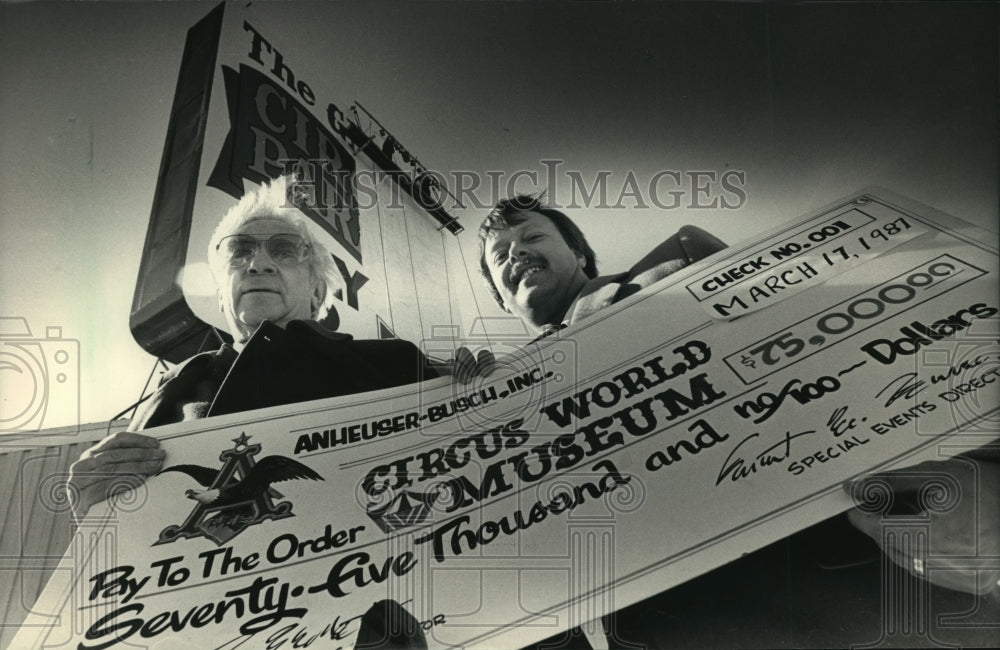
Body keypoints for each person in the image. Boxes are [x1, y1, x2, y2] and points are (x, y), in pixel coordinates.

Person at [474, 194, 999, 648]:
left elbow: (895, 350)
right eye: (500, 254)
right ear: (499, 295)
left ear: (579, 253)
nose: (515, 251)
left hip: (867, 594)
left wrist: (991, 481)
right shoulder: (488, 408)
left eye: (531, 235)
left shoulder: (677, 266)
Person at [67, 174, 439, 521]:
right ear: (221, 291)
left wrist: (488, 392)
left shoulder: (395, 364)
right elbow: (131, 532)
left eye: (286, 251)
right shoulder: (176, 387)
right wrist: (93, 511)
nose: (259, 264)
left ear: (318, 291)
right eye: (239, 251)